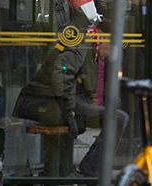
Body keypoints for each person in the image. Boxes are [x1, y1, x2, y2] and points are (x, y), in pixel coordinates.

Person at [12, 21, 129, 177]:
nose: (110, 55)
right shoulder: (82, 47)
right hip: (42, 104)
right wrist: (69, 115)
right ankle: (89, 171)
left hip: (57, 104)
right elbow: (61, 76)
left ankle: (87, 169)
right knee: (118, 118)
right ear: (103, 38)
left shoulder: (89, 48)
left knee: (117, 113)